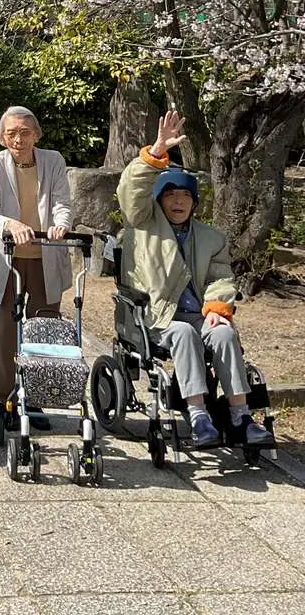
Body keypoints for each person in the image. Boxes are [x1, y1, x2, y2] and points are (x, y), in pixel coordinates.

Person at [117, 110, 273, 448]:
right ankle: (199, 415)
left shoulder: (210, 238)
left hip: (198, 313)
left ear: (194, 202)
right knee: (184, 333)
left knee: (224, 332)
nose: (178, 200)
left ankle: (241, 416)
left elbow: (220, 277)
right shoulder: (142, 224)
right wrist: (156, 153)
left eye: (186, 195)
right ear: (159, 199)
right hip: (157, 315)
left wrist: (217, 306)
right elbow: (131, 191)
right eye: (170, 194)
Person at [0, 106, 72, 431]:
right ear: (2, 137)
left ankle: (33, 398)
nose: (18, 139)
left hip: (46, 256)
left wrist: (61, 224)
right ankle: (6, 400)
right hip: (6, 257)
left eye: (24, 132)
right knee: (5, 333)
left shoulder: (53, 161)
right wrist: (11, 224)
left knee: (43, 330)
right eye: (11, 133)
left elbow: (62, 202)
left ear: (36, 134)